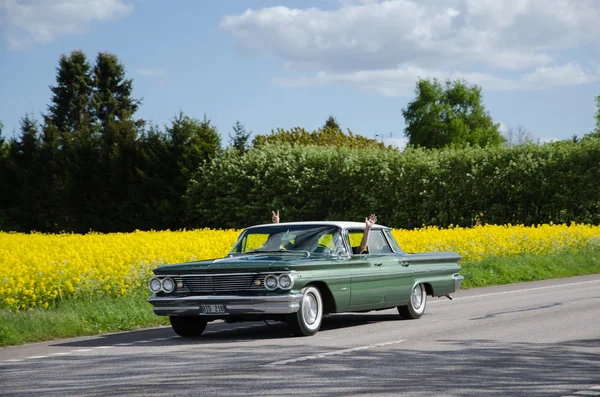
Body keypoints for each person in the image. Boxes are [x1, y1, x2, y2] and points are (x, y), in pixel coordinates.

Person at [269, 210, 377, 254]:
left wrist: (367, 229)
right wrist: (277, 225)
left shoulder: (333, 251)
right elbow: (281, 241)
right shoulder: (298, 251)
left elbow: (361, 248)